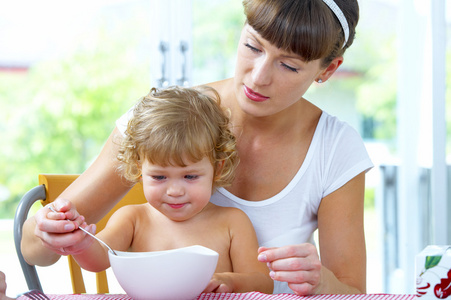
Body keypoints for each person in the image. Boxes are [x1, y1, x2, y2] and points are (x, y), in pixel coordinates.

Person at [22, 0, 373, 295]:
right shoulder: (163, 120)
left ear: (327, 70)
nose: (258, 76)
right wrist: (49, 230)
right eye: (252, 46)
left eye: (288, 65)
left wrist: (322, 280)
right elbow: (34, 249)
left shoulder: (334, 148)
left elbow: (353, 293)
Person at [44, 86, 273, 293]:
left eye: (190, 176)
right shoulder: (133, 219)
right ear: (139, 169)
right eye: (159, 176)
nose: (174, 190)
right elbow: (97, 260)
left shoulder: (233, 222)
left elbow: (262, 282)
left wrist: (231, 281)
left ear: (217, 168)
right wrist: (81, 243)